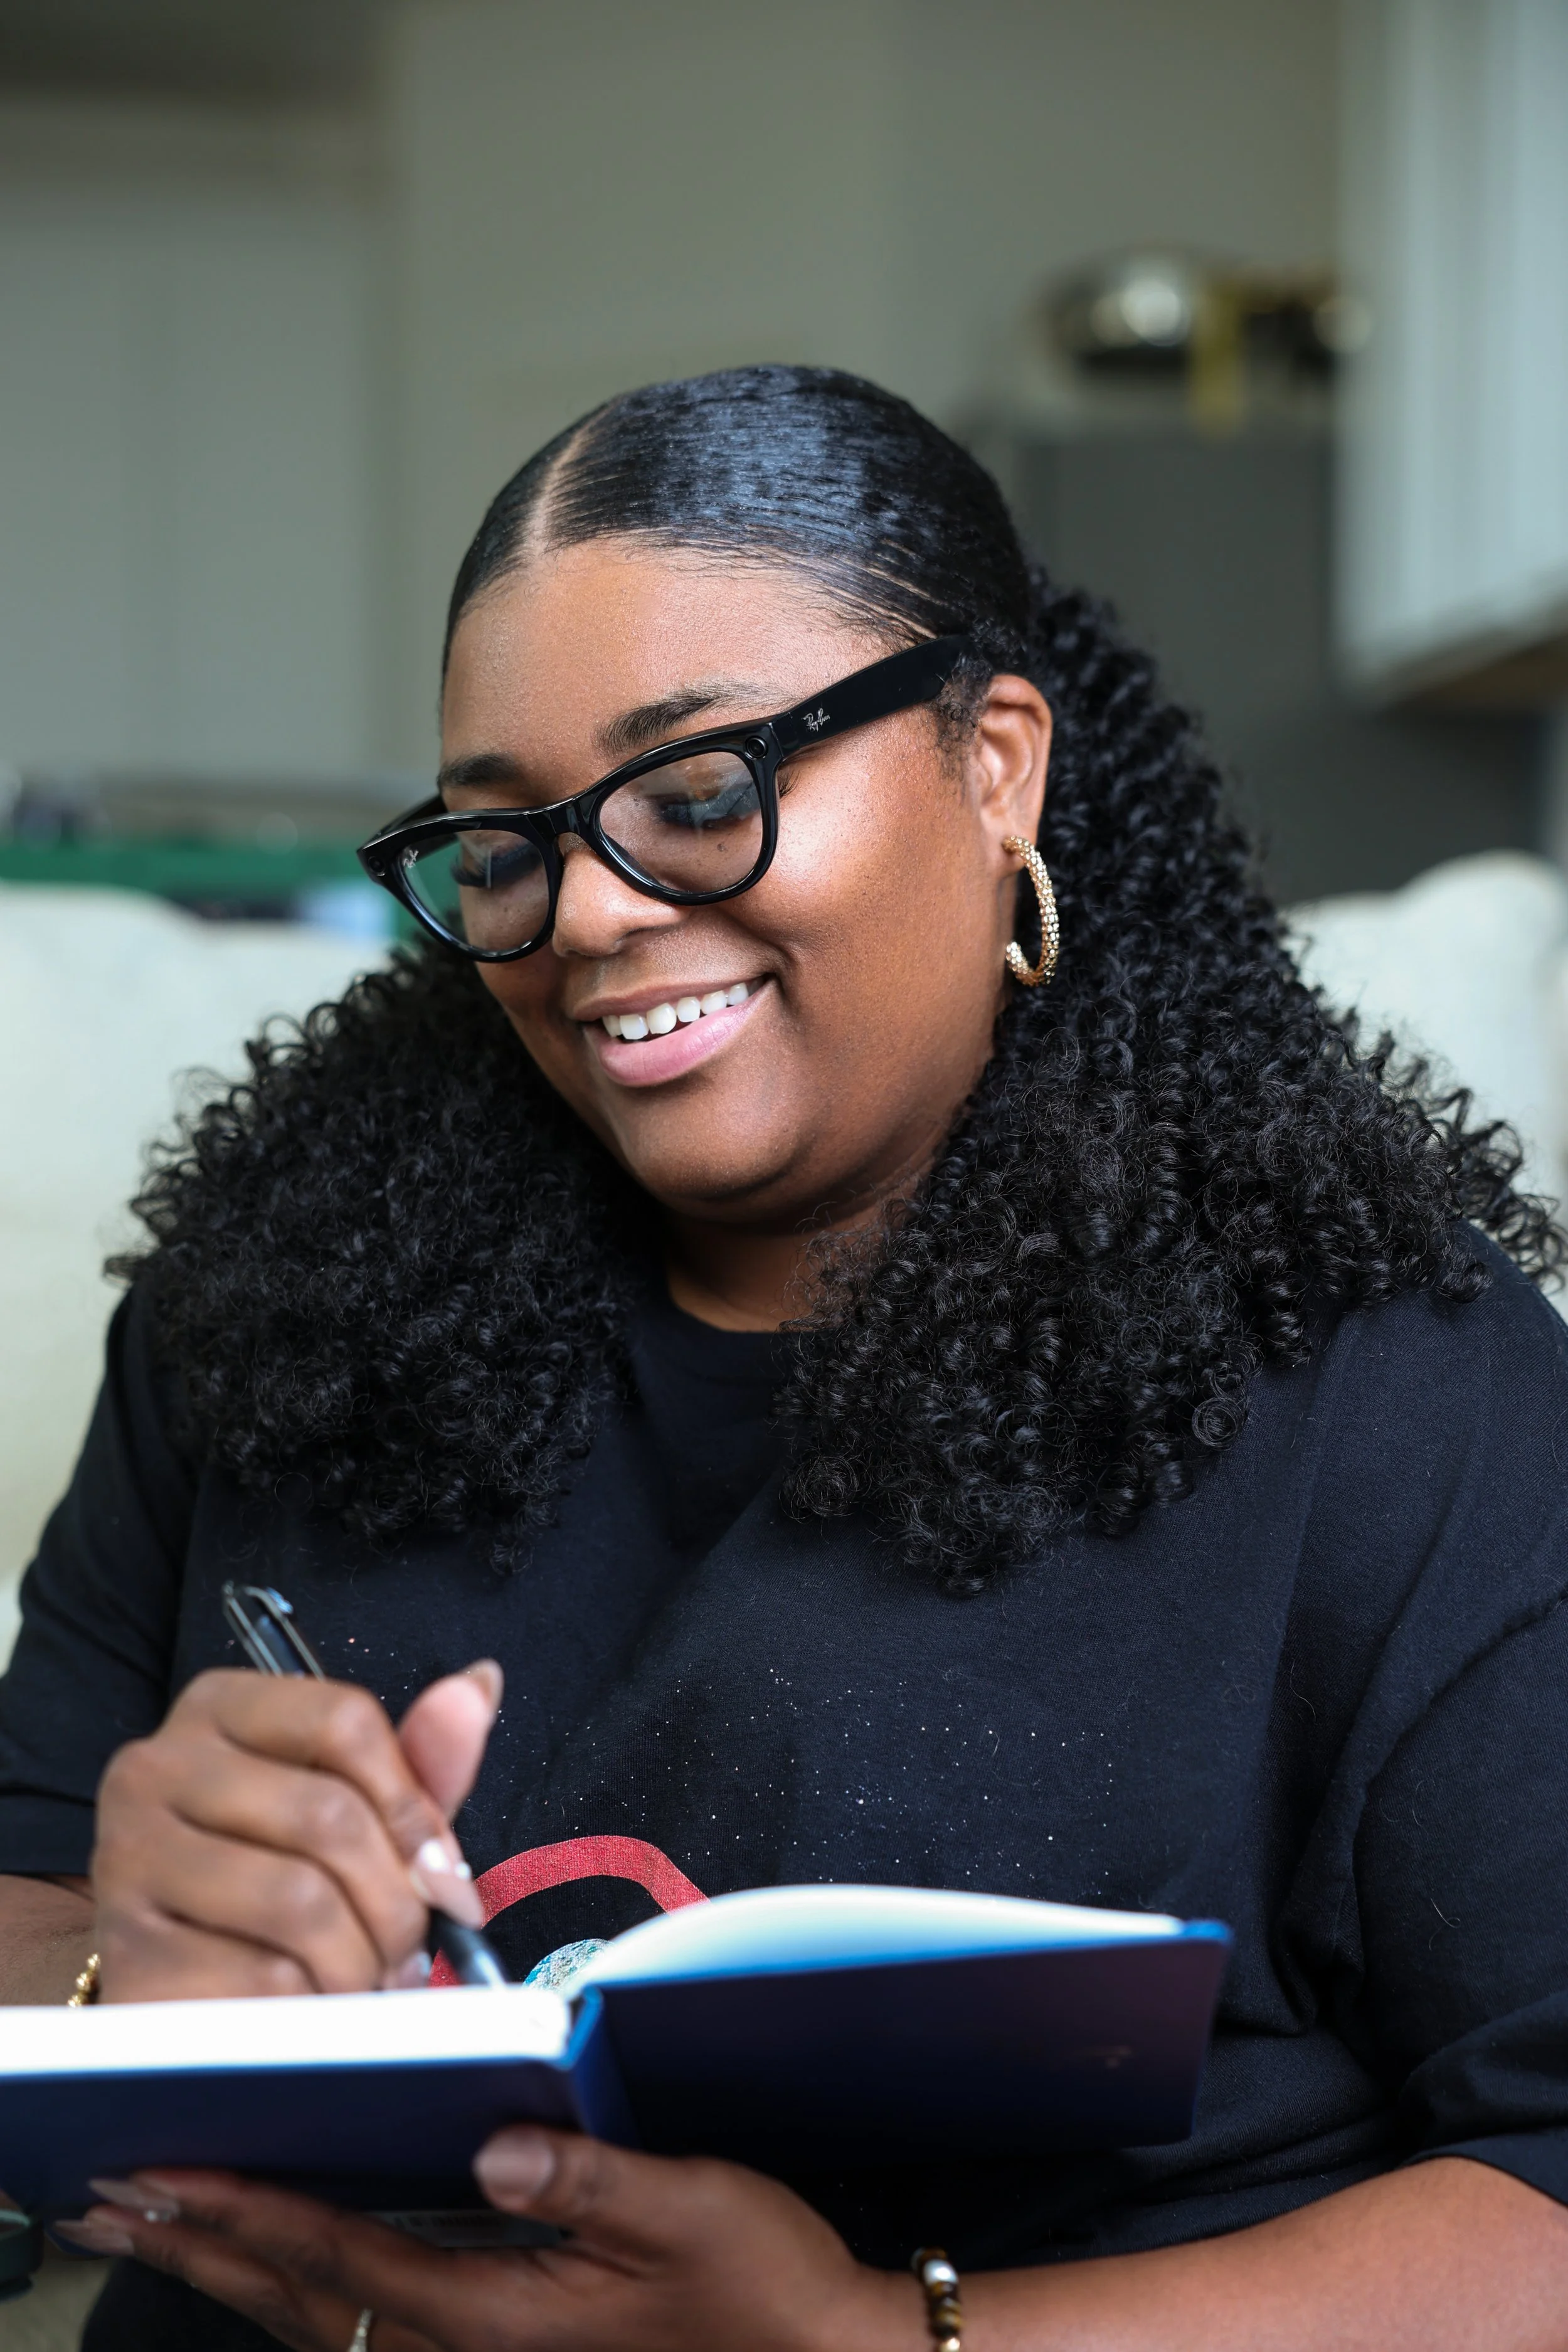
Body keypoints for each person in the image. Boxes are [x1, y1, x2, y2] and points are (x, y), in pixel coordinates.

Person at [3, 364, 1568, 2352]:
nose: (583, 915)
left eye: (697, 792)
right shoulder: (265, 1309)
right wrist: (109, 1972)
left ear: (995, 765)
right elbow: (27, 1877)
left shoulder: (1386, 1384)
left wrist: (868, 2343)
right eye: (502, 846)